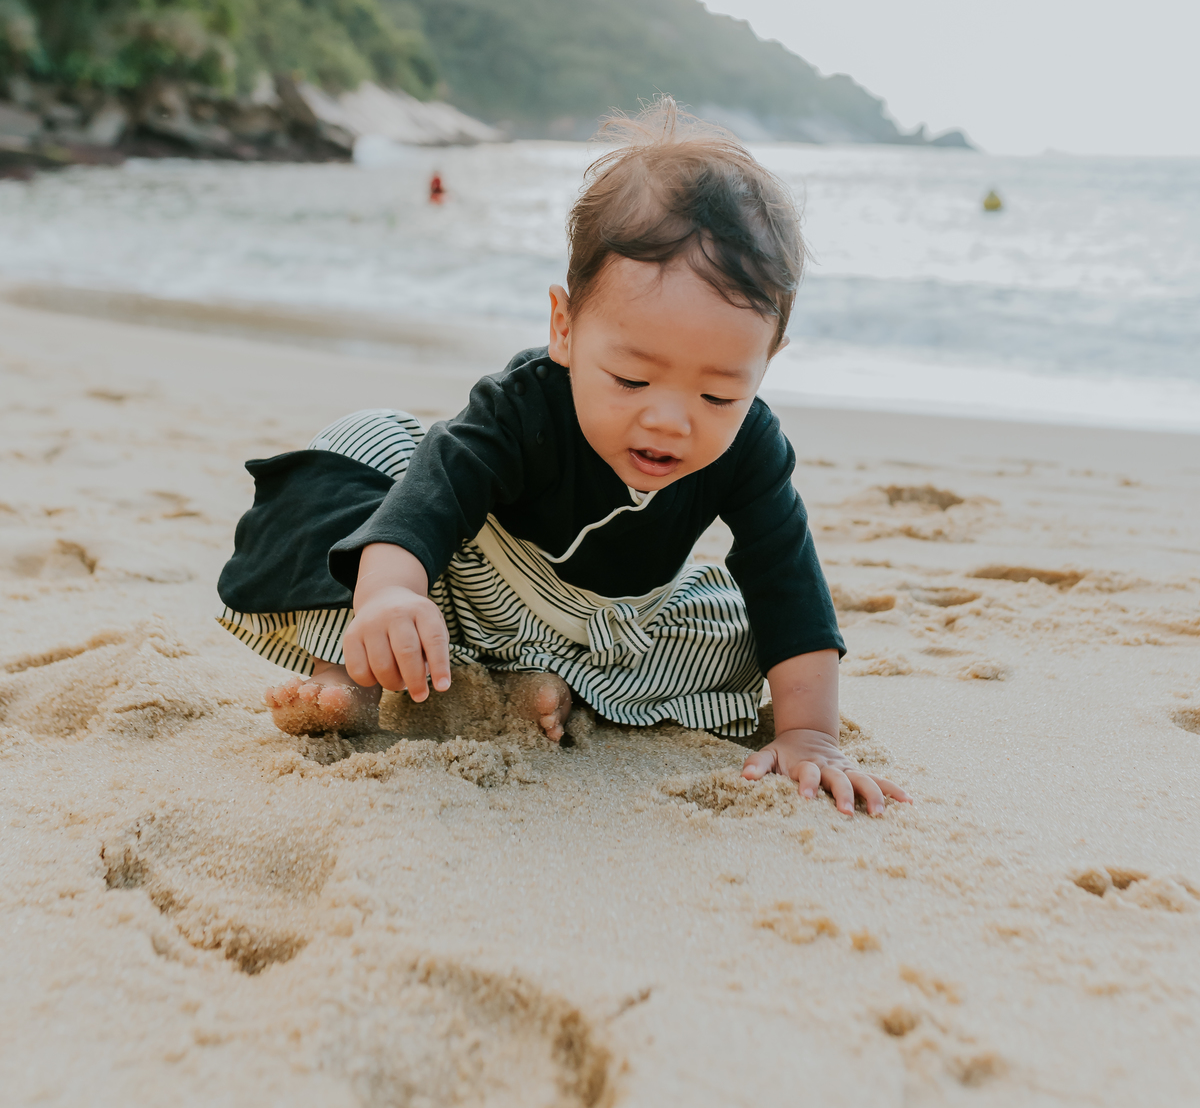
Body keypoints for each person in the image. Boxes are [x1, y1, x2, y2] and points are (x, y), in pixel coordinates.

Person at [216, 102, 910, 815]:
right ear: (565, 328)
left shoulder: (755, 448)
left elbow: (787, 579)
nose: (669, 420)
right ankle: (352, 676)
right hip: (461, 589)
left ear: (765, 365)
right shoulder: (521, 404)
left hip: (607, 633)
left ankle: (549, 687)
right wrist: (392, 592)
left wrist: (810, 736)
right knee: (364, 454)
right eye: (633, 380)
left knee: (741, 629)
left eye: (718, 393)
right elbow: (434, 491)